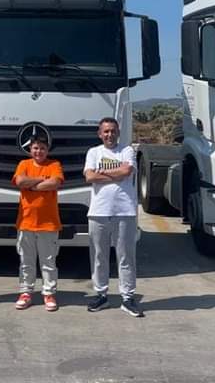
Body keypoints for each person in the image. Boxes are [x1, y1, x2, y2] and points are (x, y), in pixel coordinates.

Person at [83, 117, 143, 317]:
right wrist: (115, 174)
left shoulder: (127, 151)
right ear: (100, 134)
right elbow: (89, 176)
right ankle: (101, 295)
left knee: (126, 256)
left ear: (118, 132)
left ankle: (127, 297)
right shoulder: (94, 152)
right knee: (99, 256)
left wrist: (102, 173)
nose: (110, 134)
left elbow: (127, 171)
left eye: (113, 131)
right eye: (106, 131)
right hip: (98, 211)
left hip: (125, 211)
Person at [11, 133, 64, 312]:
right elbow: (20, 181)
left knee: (48, 262)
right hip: (26, 221)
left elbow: (55, 183)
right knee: (26, 261)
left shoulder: (54, 165)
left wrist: (31, 186)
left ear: (47, 150)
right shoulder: (23, 164)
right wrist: (42, 179)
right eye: (35, 148)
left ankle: (49, 293)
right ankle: (26, 292)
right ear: (30, 149)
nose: (38, 151)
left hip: (48, 223)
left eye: (42, 148)